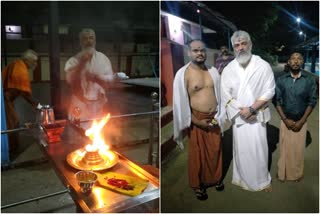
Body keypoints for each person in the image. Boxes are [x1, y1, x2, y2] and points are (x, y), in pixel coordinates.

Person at [220, 30, 275, 192]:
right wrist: (242, 112)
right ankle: (242, 178)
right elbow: (224, 93)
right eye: (237, 45)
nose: (241, 47)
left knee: (259, 149)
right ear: (233, 48)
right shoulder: (229, 68)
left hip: (257, 116)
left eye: (244, 43)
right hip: (239, 117)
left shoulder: (262, 65)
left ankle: (262, 180)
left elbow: (270, 90)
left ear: (250, 44)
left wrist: (252, 109)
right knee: (241, 149)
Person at [173, 39, 224, 201]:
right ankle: (198, 185)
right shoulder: (183, 74)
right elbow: (181, 102)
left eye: (202, 50)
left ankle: (215, 178)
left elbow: (221, 95)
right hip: (197, 119)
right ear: (189, 53)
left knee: (215, 150)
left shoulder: (213, 71)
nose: (200, 53)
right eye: (195, 50)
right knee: (198, 154)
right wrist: (195, 121)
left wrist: (220, 115)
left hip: (214, 117)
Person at [64, 28, 128, 125]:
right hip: (80, 105)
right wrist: (82, 63)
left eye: (91, 38)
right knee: (79, 133)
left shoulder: (103, 59)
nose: (88, 41)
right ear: (80, 42)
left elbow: (109, 82)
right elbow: (71, 81)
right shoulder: (73, 61)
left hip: (98, 105)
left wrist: (98, 77)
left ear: (95, 41)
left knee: (96, 133)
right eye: (85, 39)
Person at [274, 52, 317, 182]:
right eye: (293, 58)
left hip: (301, 121)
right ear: (289, 62)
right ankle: (283, 173)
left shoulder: (309, 80)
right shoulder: (281, 80)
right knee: (284, 148)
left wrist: (302, 121)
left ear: (302, 62)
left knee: (298, 150)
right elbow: (276, 100)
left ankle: (297, 174)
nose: (296, 61)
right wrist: (285, 119)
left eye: (299, 58)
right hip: (285, 119)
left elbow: (312, 101)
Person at [2, 49, 42, 155]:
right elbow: (25, 93)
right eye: (34, 61)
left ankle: (11, 147)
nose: (35, 64)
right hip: (4, 100)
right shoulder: (20, 69)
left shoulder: (17, 64)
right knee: (13, 122)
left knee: (12, 121)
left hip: (6, 99)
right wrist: (37, 105)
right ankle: (10, 150)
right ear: (26, 60)